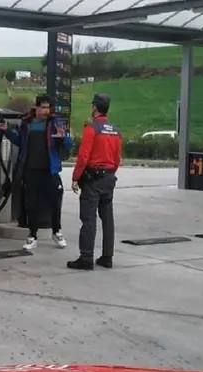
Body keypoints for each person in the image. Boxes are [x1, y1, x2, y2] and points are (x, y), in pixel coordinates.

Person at [0, 94, 73, 251]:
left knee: (55, 202)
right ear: (37, 107)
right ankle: (32, 236)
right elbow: (20, 142)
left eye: (48, 108)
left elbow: (68, 143)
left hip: (50, 171)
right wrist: (6, 132)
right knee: (32, 205)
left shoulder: (55, 123)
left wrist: (61, 138)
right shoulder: (27, 124)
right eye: (43, 107)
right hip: (31, 170)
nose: (46, 111)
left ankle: (57, 231)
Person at [67, 93, 122, 270]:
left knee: (88, 219)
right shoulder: (115, 129)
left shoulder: (92, 128)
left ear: (94, 107)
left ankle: (86, 258)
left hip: (93, 179)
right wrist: (110, 173)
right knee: (107, 219)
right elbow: (117, 158)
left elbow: (83, 156)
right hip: (108, 178)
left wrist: (76, 177)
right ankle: (107, 257)